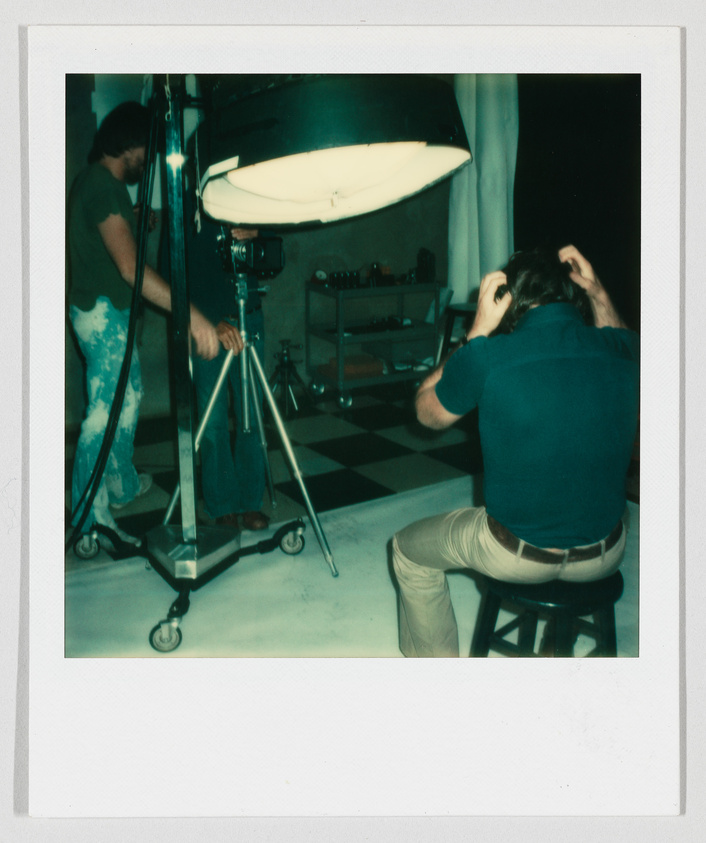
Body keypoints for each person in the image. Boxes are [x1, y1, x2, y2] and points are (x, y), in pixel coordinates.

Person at [391, 244, 640, 657]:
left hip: (515, 554)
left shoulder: (489, 357)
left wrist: (475, 334)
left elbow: (426, 412)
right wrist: (599, 294)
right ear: (576, 292)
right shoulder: (624, 350)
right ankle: (557, 645)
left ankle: (437, 686)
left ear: (508, 299)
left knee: (407, 550)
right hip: (605, 553)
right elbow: (620, 336)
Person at [67, 101, 219, 544]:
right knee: (106, 409)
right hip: (101, 314)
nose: (146, 161)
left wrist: (133, 219)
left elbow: (105, 233)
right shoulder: (103, 187)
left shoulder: (99, 183)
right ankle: (88, 514)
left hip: (103, 311)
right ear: (128, 144)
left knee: (128, 397)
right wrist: (188, 311)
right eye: (145, 151)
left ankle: (120, 483)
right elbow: (131, 269)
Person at [185, 192, 270, 532]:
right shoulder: (187, 205)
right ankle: (222, 505)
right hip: (207, 324)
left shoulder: (246, 195)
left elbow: (275, 257)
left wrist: (260, 234)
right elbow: (175, 273)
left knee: (252, 413)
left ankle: (250, 502)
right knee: (214, 418)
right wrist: (208, 321)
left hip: (249, 316)